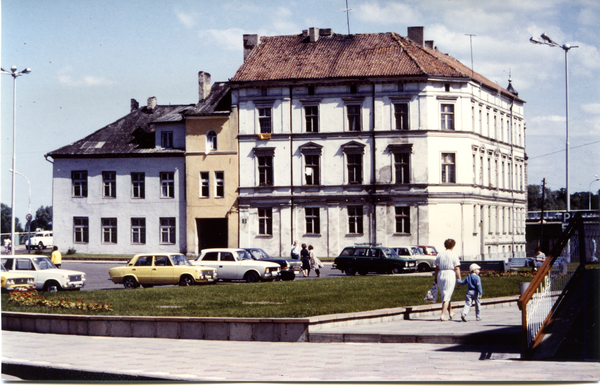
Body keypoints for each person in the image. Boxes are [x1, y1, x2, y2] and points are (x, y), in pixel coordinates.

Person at [433, 238, 461, 321]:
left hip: (441, 274)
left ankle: (450, 312)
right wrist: (459, 279)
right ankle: (442, 315)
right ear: (453, 246)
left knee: (445, 294)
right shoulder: (454, 254)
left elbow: (436, 268)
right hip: (450, 274)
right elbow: (456, 268)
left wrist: (435, 278)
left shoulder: (440, 254)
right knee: (446, 295)